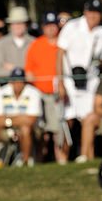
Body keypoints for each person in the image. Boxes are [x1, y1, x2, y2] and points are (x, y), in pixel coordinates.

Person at [57, 0, 102, 154]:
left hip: (90, 83)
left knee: (88, 119)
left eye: (97, 13)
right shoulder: (71, 27)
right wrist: (60, 82)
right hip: (69, 80)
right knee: (67, 121)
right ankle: (63, 158)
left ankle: (85, 155)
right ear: (85, 12)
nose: (93, 16)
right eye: (91, 12)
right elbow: (59, 54)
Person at [25, 12, 68, 163]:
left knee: (59, 130)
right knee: (41, 131)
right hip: (40, 94)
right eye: (47, 26)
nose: (50, 29)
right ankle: (39, 160)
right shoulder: (36, 44)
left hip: (58, 93)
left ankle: (61, 159)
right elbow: (29, 71)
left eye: (53, 25)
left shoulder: (63, 43)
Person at [0, 67, 42, 166]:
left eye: (20, 81)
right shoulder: (1, 92)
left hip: (29, 130)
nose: (18, 84)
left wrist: (7, 119)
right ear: (10, 81)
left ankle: (25, 162)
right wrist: (16, 120)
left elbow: (31, 120)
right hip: (5, 129)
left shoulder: (33, 92)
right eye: (15, 81)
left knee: (25, 129)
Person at [0, 6, 33, 78]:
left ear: (26, 24)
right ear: (10, 25)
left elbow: (38, 68)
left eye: (21, 23)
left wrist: (14, 68)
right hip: (7, 83)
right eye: (15, 23)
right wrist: (22, 73)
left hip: (30, 83)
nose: (18, 26)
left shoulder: (34, 42)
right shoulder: (1, 43)